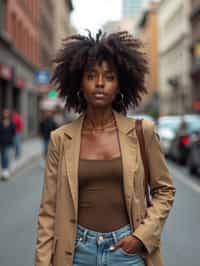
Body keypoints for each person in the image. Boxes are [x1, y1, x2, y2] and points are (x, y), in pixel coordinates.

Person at [35, 31, 176, 266]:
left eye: (109, 77)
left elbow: (165, 190)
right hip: (77, 252)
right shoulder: (61, 138)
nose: (100, 83)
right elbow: (49, 211)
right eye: (91, 76)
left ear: (120, 84)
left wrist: (141, 237)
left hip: (128, 253)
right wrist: (42, 262)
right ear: (79, 82)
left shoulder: (143, 132)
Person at [0, 109, 16, 180]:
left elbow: (13, 132)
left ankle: (6, 171)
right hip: (2, 142)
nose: (5, 114)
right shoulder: (0, 123)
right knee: (3, 157)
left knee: (7, 156)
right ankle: (4, 170)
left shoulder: (12, 123)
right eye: (4, 113)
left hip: (9, 142)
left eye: (7, 113)